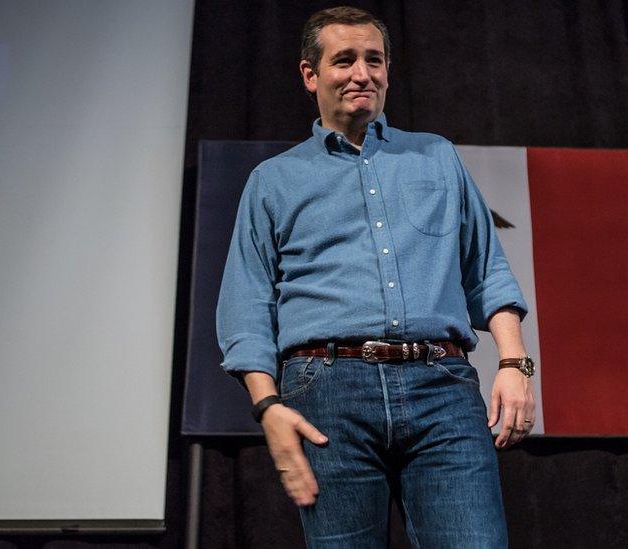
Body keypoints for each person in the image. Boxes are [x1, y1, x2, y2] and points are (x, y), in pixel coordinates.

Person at [216, 6, 536, 548]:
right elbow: (246, 306)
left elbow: (487, 269)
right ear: (310, 74)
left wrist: (514, 363)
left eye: (374, 59)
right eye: (344, 60)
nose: (362, 73)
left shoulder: (436, 156)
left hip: (443, 388)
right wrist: (268, 406)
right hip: (327, 391)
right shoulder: (272, 180)